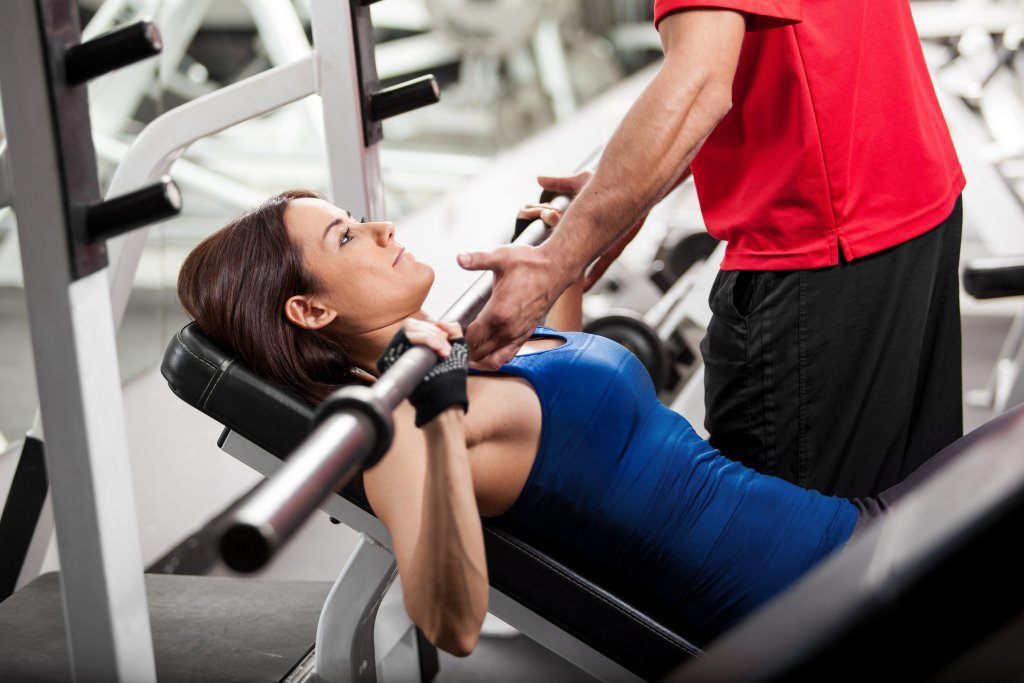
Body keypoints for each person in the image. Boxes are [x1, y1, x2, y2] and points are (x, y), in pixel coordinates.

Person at [176, 192, 965, 654]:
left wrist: (567, 265)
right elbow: (450, 623)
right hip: (819, 594)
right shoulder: (408, 422)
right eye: (345, 237)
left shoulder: (455, 353)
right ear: (311, 309)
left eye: (356, 217)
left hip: (855, 532)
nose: (380, 229)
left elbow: (577, 429)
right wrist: (439, 405)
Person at [456, 4, 966, 499]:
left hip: (827, 244)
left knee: (796, 556)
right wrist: (624, 189)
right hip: (908, 194)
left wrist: (554, 263)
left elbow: (699, 83)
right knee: (909, 515)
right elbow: (758, 56)